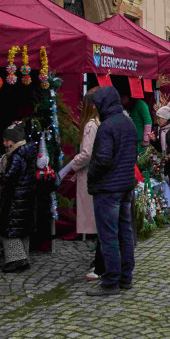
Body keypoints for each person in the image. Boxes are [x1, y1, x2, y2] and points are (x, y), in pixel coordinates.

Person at [86, 86, 139, 296]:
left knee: (109, 236)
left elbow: (103, 158)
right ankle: (126, 277)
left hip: (109, 188)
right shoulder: (127, 122)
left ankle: (111, 281)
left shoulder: (107, 126)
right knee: (125, 233)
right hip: (126, 184)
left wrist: (92, 176)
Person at [58, 87, 101, 281]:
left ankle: (100, 261)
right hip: (97, 175)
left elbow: (86, 154)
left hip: (91, 176)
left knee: (97, 219)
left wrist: (68, 168)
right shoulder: (101, 121)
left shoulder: (91, 125)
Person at [0, 120, 42, 273]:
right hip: (24, 196)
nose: (4, 143)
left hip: (15, 198)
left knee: (10, 229)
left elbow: (8, 178)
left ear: (15, 140)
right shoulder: (27, 152)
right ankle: (23, 257)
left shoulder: (16, 155)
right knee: (21, 229)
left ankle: (16, 260)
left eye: (7, 140)